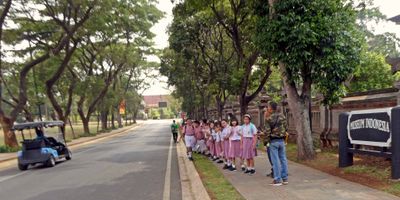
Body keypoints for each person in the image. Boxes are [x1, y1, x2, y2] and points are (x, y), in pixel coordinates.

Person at [265, 101, 289, 186]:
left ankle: (277, 180)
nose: (267, 108)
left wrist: (265, 142)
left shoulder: (269, 119)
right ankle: (285, 178)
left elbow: (267, 132)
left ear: (271, 108)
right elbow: (286, 127)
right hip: (282, 141)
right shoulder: (282, 116)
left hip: (273, 141)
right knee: (283, 159)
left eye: (268, 107)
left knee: (275, 161)